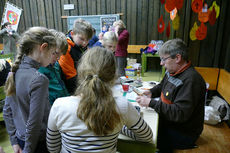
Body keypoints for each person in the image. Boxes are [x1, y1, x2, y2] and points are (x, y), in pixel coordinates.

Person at [47, 47, 153, 153]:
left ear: (80, 72)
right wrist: (119, 126)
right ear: (113, 76)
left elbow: (53, 149)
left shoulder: (59, 105)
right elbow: (146, 136)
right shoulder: (122, 106)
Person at [136, 38, 206, 153]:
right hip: (169, 121)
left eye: (164, 59)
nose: (161, 63)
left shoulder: (192, 81)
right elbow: (162, 86)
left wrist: (151, 103)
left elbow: (180, 113)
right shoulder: (172, 71)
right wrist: (151, 92)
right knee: (143, 125)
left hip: (184, 133)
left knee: (145, 137)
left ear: (177, 58)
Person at [3, 27, 57, 153]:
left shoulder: (14, 73)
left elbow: (7, 111)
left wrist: (14, 141)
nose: (54, 57)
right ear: (43, 47)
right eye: (53, 52)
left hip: (21, 140)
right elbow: (34, 124)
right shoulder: (39, 79)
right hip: (36, 144)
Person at [58, 19, 94, 94]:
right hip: (72, 88)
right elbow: (70, 76)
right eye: (81, 39)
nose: (85, 43)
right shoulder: (66, 48)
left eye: (88, 40)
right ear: (72, 33)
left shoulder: (82, 46)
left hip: (82, 82)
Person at [38, 29, 69, 105]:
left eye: (60, 55)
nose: (58, 58)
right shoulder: (37, 69)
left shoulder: (56, 65)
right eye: (55, 53)